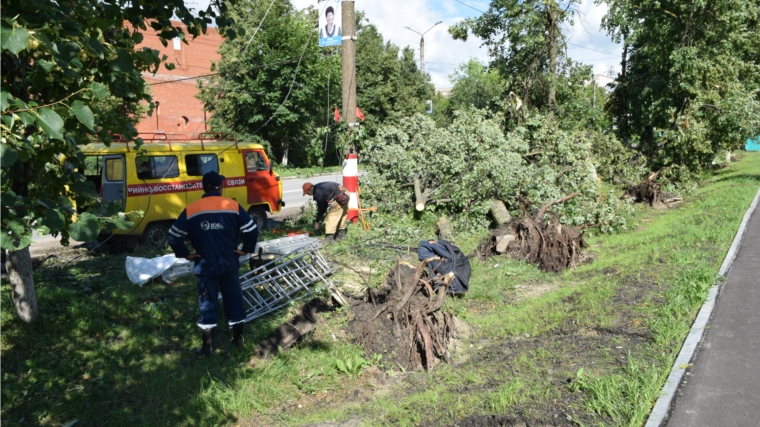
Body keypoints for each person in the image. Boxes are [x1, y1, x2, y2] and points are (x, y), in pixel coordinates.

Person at [168, 171, 258, 356]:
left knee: (207, 302)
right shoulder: (232, 206)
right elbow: (252, 229)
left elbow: (174, 235)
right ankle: (238, 340)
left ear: (204, 187)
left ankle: (207, 348)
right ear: (220, 187)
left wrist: (186, 254)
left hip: (205, 265)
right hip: (229, 263)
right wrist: (246, 249)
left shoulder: (192, 209)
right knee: (234, 299)